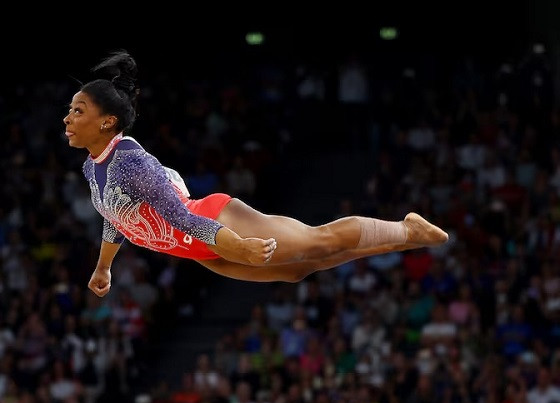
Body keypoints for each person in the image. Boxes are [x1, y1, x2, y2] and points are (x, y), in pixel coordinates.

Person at [63, 50, 448, 296]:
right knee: (297, 272)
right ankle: (408, 237)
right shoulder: (93, 165)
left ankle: (405, 230)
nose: (68, 118)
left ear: (107, 121)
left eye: (78, 111)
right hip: (201, 250)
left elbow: (181, 216)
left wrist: (240, 245)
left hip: (214, 222)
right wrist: (104, 268)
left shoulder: (130, 162)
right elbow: (116, 217)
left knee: (317, 243)